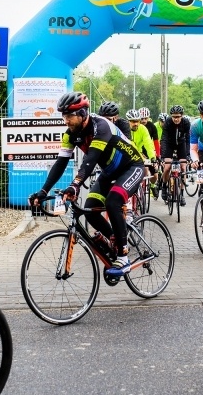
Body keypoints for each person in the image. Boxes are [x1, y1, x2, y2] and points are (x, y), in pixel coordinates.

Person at [30, 93, 144, 277]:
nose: (66, 121)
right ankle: (115, 238)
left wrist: (75, 185)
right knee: (89, 209)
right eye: (64, 116)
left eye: (69, 116)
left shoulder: (102, 126)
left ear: (82, 113)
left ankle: (123, 255)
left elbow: (90, 160)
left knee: (113, 201)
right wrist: (43, 191)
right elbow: (60, 163)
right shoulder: (70, 135)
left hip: (132, 167)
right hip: (110, 172)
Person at [160, 105, 192, 205]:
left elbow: (188, 139)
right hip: (169, 144)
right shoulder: (168, 122)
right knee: (167, 167)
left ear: (181, 116)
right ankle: (164, 186)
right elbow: (164, 139)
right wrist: (163, 156)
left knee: (183, 167)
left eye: (178, 117)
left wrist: (187, 154)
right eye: (174, 117)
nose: (176, 119)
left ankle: (182, 194)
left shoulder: (186, 122)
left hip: (181, 144)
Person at [127, 109, 158, 190]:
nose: (136, 124)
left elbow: (148, 144)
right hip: (126, 153)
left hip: (139, 153)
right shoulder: (125, 129)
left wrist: (152, 157)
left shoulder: (143, 129)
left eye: (137, 121)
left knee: (146, 169)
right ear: (128, 121)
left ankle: (142, 189)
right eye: (133, 122)